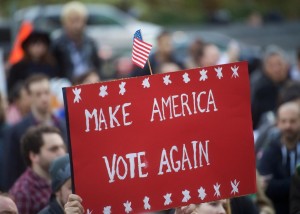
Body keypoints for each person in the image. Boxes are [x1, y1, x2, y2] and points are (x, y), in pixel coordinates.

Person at [3, 74, 67, 191]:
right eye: (38, 94)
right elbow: (11, 172)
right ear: (29, 97)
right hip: (31, 193)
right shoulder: (16, 131)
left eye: (46, 92)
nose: (44, 98)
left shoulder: (63, 124)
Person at [9, 125, 66, 214]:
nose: (61, 153)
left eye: (62, 147)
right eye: (53, 149)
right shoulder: (22, 192)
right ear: (34, 156)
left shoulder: (64, 180)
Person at [257, 101, 300, 214]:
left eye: (293, 121)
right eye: (284, 121)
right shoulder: (270, 149)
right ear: (277, 122)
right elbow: (267, 188)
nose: (288, 126)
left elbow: (273, 186)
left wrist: (279, 184)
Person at [52, 1, 101, 81]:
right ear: (64, 22)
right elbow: (56, 71)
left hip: (90, 81)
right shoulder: (58, 44)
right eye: (72, 21)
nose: (76, 25)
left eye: (79, 20)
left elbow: (97, 66)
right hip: (69, 83)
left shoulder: (90, 42)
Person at [250, 45, 290, 129]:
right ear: (265, 67)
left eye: (279, 64)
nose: (276, 69)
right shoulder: (259, 87)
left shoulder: (293, 85)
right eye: (271, 65)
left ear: (286, 65)